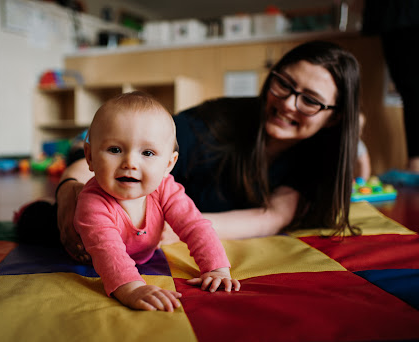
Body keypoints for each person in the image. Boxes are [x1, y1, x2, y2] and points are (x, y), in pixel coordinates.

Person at [54, 40, 361, 260]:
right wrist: (69, 187)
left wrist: (181, 227)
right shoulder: (215, 124)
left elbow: (271, 218)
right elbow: (113, 152)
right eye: (284, 84)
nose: (288, 104)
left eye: (309, 100)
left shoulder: (321, 160)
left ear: (335, 116)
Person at [74, 91, 240, 312]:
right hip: (76, 243)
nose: (130, 162)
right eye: (115, 150)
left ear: (169, 164)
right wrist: (131, 289)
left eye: (148, 153)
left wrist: (217, 268)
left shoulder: (165, 189)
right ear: (90, 156)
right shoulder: (93, 203)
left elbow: (195, 226)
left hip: (142, 255)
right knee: (35, 223)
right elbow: (107, 250)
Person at [362, 0, 419, 173]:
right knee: (411, 91)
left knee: (412, 90)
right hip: (397, 16)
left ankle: (416, 165)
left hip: (402, 15)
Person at [354, 112, 371, 181]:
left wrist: (362, 180)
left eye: (360, 128)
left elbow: (365, 165)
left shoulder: (359, 145)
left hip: (354, 179)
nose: (357, 131)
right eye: (354, 127)